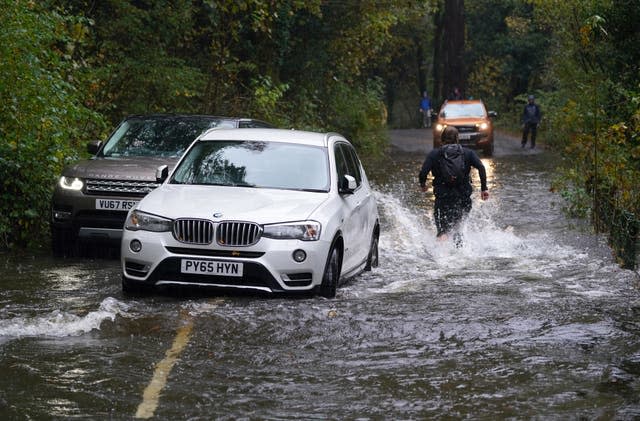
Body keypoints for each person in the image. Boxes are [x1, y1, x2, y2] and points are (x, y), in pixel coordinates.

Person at [418, 126, 489, 243]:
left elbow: (423, 172)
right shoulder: (468, 153)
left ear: (442, 138)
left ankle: (443, 257)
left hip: (443, 197)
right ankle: (461, 253)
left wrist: (423, 184)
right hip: (463, 196)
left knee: (443, 231)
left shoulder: (434, 154)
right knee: (459, 228)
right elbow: (481, 167)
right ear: (457, 138)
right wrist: (484, 189)